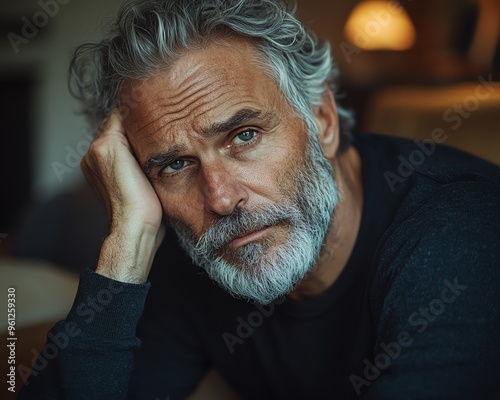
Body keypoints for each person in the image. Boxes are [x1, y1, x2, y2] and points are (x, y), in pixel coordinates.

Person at [19, 0, 500, 398]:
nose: (222, 198)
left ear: (323, 121)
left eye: (244, 135)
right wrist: (127, 242)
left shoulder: (462, 234)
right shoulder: (201, 251)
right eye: (175, 165)